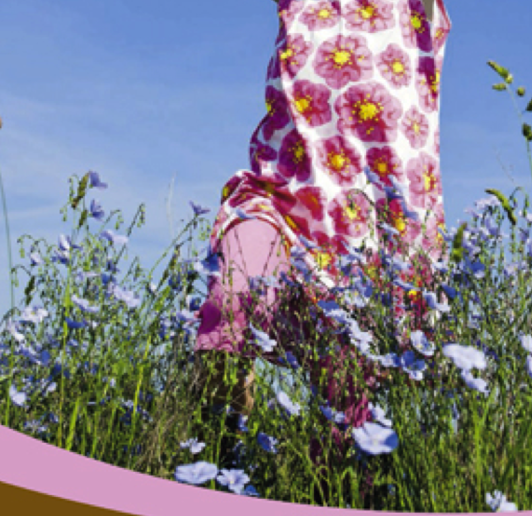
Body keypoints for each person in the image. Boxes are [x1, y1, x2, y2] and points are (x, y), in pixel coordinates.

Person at [192, 0, 452, 486]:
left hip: (368, 245)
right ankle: (215, 447)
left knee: (343, 441)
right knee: (229, 303)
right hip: (280, 202)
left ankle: (300, 489)